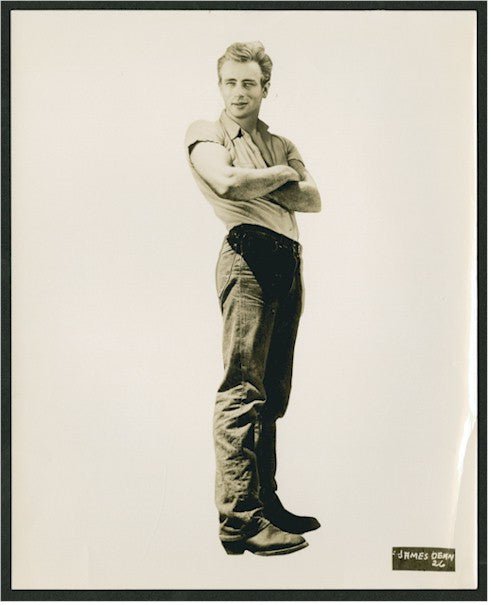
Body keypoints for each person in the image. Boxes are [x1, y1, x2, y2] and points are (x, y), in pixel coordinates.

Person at [185, 41, 322, 556]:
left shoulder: (281, 141)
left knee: (273, 395)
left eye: (249, 83)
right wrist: (283, 176)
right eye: (230, 82)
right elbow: (225, 182)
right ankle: (240, 521)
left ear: (266, 88)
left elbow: (313, 199)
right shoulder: (206, 132)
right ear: (219, 85)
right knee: (242, 390)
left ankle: (265, 503)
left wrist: (258, 181)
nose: (239, 92)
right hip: (247, 256)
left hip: (287, 261)